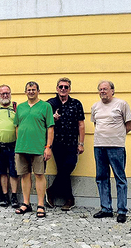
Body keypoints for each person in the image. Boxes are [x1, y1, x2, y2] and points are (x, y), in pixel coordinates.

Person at [91, 80, 131, 223]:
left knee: (120, 178)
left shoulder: (121, 104)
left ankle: (121, 210)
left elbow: (129, 126)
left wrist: (116, 137)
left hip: (116, 147)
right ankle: (106, 209)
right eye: (100, 89)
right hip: (99, 146)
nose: (102, 91)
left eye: (105, 89)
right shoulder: (95, 106)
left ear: (112, 90)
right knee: (101, 178)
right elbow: (96, 124)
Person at [13, 81, 54, 218]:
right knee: (24, 175)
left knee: (39, 175)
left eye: (34, 89)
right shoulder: (20, 107)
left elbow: (50, 128)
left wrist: (48, 147)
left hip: (38, 147)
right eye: (29, 89)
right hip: (22, 147)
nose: (31, 91)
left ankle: (41, 204)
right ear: (25, 92)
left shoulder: (46, 106)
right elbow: (17, 126)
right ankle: (26, 203)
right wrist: (19, 143)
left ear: (38, 91)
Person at [46, 78, 85, 211]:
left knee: (68, 166)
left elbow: (81, 124)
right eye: (61, 87)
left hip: (71, 144)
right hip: (56, 144)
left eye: (66, 87)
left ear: (69, 89)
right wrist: (53, 118)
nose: (63, 89)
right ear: (57, 88)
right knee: (63, 170)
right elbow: (42, 120)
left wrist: (81, 143)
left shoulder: (76, 104)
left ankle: (51, 190)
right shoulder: (50, 104)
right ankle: (69, 199)